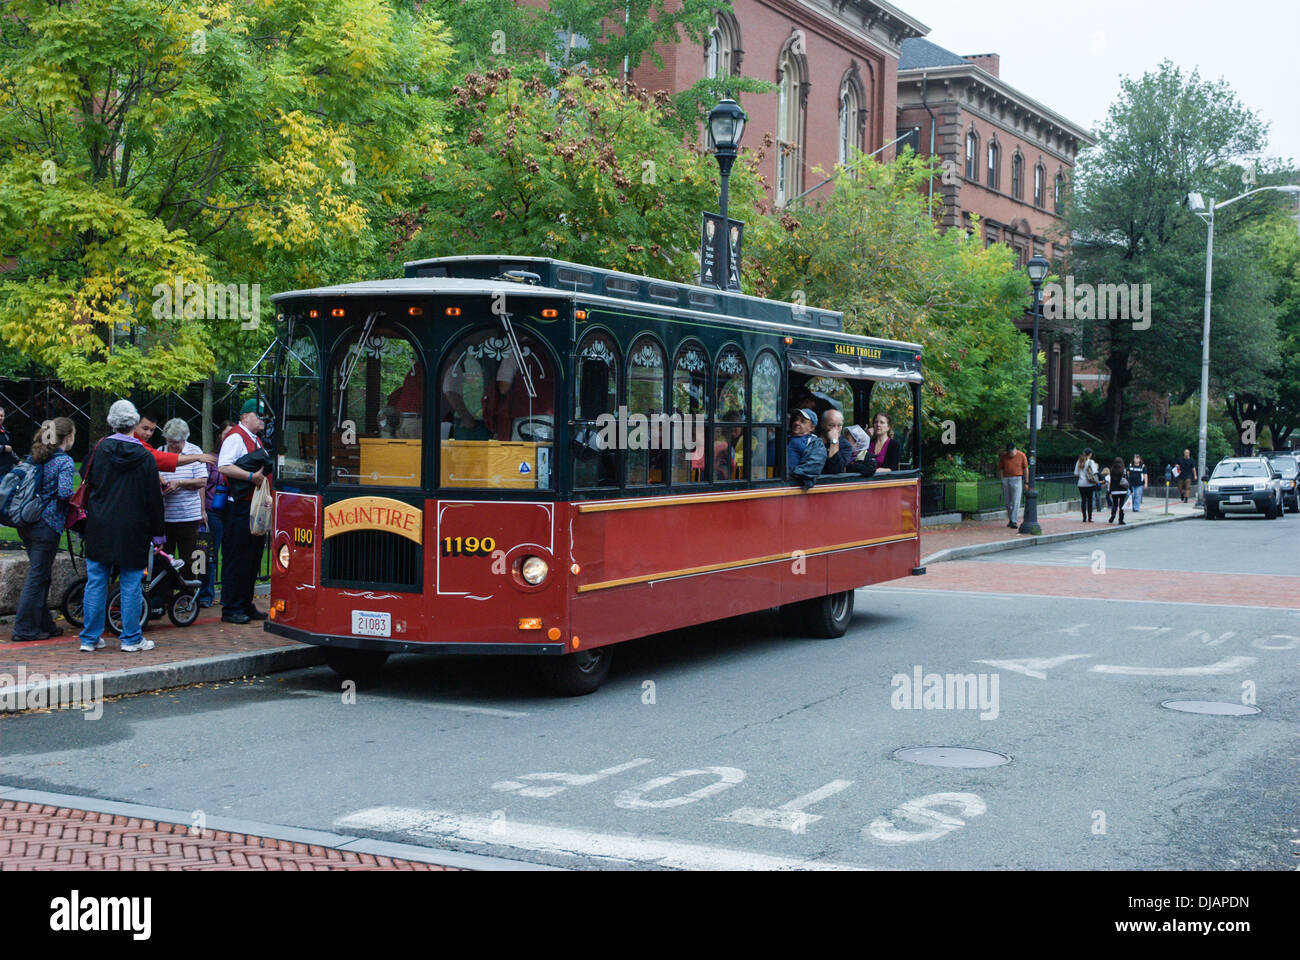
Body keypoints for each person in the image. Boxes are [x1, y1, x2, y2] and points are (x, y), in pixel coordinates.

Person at [79, 400, 165, 653]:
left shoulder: (100, 449)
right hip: (133, 527)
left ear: (111, 422)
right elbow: (153, 497)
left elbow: (87, 479)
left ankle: (90, 638)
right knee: (130, 582)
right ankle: (130, 638)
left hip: (100, 523)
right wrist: (158, 531)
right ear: (134, 424)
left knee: (96, 580)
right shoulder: (144, 456)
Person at [10, 418, 76, 642]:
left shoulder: (36, 457)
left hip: (26, 523)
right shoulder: (64, 461)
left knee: (42, 576)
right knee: (37, 577)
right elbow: (65, 492)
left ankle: (44, 623)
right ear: (67, 437)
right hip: (47, 525)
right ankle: (24, 629)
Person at [218, 399, 271, 624]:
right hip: (239, 506)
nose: (261, 419)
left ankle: (245, 603)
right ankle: (231, 607)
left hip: (251, 505)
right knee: (237, 557)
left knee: (252, 557)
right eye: (257, 415)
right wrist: (251, 477)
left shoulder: (254, 439)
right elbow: (224, 465)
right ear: (244, 417)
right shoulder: (236, 437)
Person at [159, 419, 207, 583]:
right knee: (165, 558)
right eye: (169, 442)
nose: (172, 446)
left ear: (185, 439)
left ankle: (189, 593)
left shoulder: (195, 451)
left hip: (188, 516)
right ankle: (165, 594)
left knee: (191, 558)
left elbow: (202, 481)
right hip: (166, 516)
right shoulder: (161, 451)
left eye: (176, 443)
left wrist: (179, 483)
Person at [197, 421, 235, 607]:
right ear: (220, 436)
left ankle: (228, 594)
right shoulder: (211, 459)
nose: (228, 437)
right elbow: (202, 484)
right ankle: (204, 594)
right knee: (206, 554)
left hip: (231, 511)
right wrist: (202, 509)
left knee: (230, 554)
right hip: (211, 511)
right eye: (225, 434)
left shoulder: (238, 459)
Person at [135, 410, 215, 473]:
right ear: (134, 425)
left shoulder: (195, 450)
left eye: (152, 430)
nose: (148, 433)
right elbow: (156, 459)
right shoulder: (135, 445)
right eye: (145, 428)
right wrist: (196, 457)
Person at [787, 408, 826, 489]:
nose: (796, 422)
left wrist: (790, 475)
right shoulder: (785, 437)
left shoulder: (815, 443)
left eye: (803, 421)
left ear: (812, 428)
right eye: (796, 419)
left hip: (793, 486)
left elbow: (813, 466)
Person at [997, 441, 1030, 528]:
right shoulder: (1004, 456)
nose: (1010, 454)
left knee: (1016, 500)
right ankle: (1011, 519)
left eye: (1011, 452)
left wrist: (1026, 482)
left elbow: (1026, 469)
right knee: (1007, 502)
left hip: (1017, 478)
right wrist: (1002, 479)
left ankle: (1014, 521)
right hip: (1006, 479)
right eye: (1008, 452)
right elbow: (1000, 468)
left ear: (1015, 449)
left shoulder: (1021, 455)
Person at [819, 408, 853, 474]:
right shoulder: (813, 439)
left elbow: (837, 469)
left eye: (839, 425)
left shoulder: (846, 445)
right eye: (831, 425)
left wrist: (834, 441)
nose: (836, 430)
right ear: (822, 424)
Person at [1074, 448, 1099, 522]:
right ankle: (1090, 517)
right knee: (1090, 500)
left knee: (1083, 500)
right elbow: (1094, 472)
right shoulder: (1091, 462)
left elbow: (1076, 473)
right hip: (1089, 484)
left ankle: (1084, 517)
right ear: (1090, 454)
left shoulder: (1079, 461)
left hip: (1081, 483)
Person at [1107, 457, 1130, 524]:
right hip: (1123, 490)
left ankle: (1113, 515)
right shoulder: (1124, 470)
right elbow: (1127, 480)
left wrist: (1110, 491)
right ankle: (1121, 519)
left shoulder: (1112, 470)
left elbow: (1111, 481)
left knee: (1115, 504)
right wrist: (1130, 489)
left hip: (1114, 490)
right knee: (1121, 505)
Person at [0, 404, 16, 481]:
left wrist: (18, 460)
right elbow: (7, 448)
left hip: (6, 470)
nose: (0, 418)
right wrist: (3, 448)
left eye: (2, 416)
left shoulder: (5, 431)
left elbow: (10, 448)